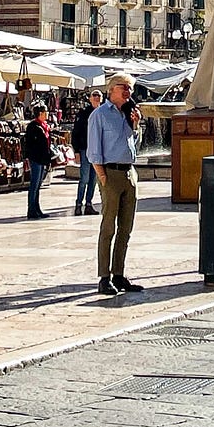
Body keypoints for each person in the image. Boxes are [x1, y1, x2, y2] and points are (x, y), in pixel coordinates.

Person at [88, 72, 141, 295]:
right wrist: (102, 177)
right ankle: (104, 277)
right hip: (110, 173)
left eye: (130, 88)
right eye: (124, 88)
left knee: (126, 228)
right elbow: (93, 151)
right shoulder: (99, 115)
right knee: (108, 227)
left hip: (129, 173)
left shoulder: (126, 114)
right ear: (111, 90)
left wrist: (136, 126)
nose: (128, 92)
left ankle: (119, 275)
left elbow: (133, 144)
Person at [71, 91, 102, 217]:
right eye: (94, 96)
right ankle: (79, 204)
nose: (96, 98)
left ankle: (89, 203)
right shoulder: (83, 113)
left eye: (99, 95)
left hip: (98, 150)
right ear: (90, 99)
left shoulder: (104, 112)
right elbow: (76, 133)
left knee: (93, 179)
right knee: (84, 178)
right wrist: (77, 151)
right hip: (85, 149)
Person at [23, 101, 54, 219]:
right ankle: (31, 210)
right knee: (34, 185)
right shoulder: (33, 127)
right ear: (41, 113)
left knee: (38, 185)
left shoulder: (44, 126)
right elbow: (31, 144)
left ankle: (37, 209)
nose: (47, 114)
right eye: (45, 112)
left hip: (42, 159)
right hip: (36, 159)